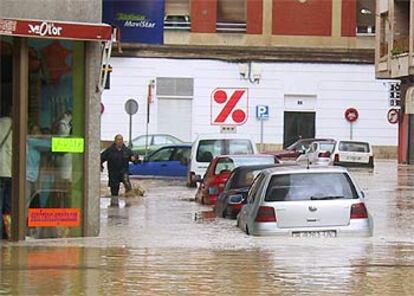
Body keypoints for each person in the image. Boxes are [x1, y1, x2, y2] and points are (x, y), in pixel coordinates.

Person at [101, 134, 136, 207]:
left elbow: (134, 157)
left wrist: (134, 158)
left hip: (124, 172)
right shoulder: (110, 150)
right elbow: (101, 158)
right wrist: (100, 166)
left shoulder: (126, 150)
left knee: (127, 185)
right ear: (115, 141)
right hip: (113, 173)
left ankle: (128, 205)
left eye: (121, 140)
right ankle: (114, 207)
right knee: (114, 192)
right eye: (118, 140)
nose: (120, 141)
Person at [0, 113, 12, 239]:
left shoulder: (2, 123)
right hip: (11, 170)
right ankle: (7, 232)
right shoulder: (17, 125)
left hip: (2, 169)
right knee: (8, 203)